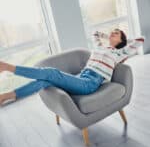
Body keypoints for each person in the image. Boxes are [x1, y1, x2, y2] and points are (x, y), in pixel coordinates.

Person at [0, 29, 144, 105]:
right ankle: (6, 96)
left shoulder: (119, 53)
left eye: (116, 33)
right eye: (113, 31)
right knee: (44, 82)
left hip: (89, 84)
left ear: (121, 40)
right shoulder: (100, 47)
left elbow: (140, 40)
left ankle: (7, 67)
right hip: (80, 78)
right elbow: (95, 34)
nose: (113, 32)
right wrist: (108, 37)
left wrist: (123, 43)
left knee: (51, 73)